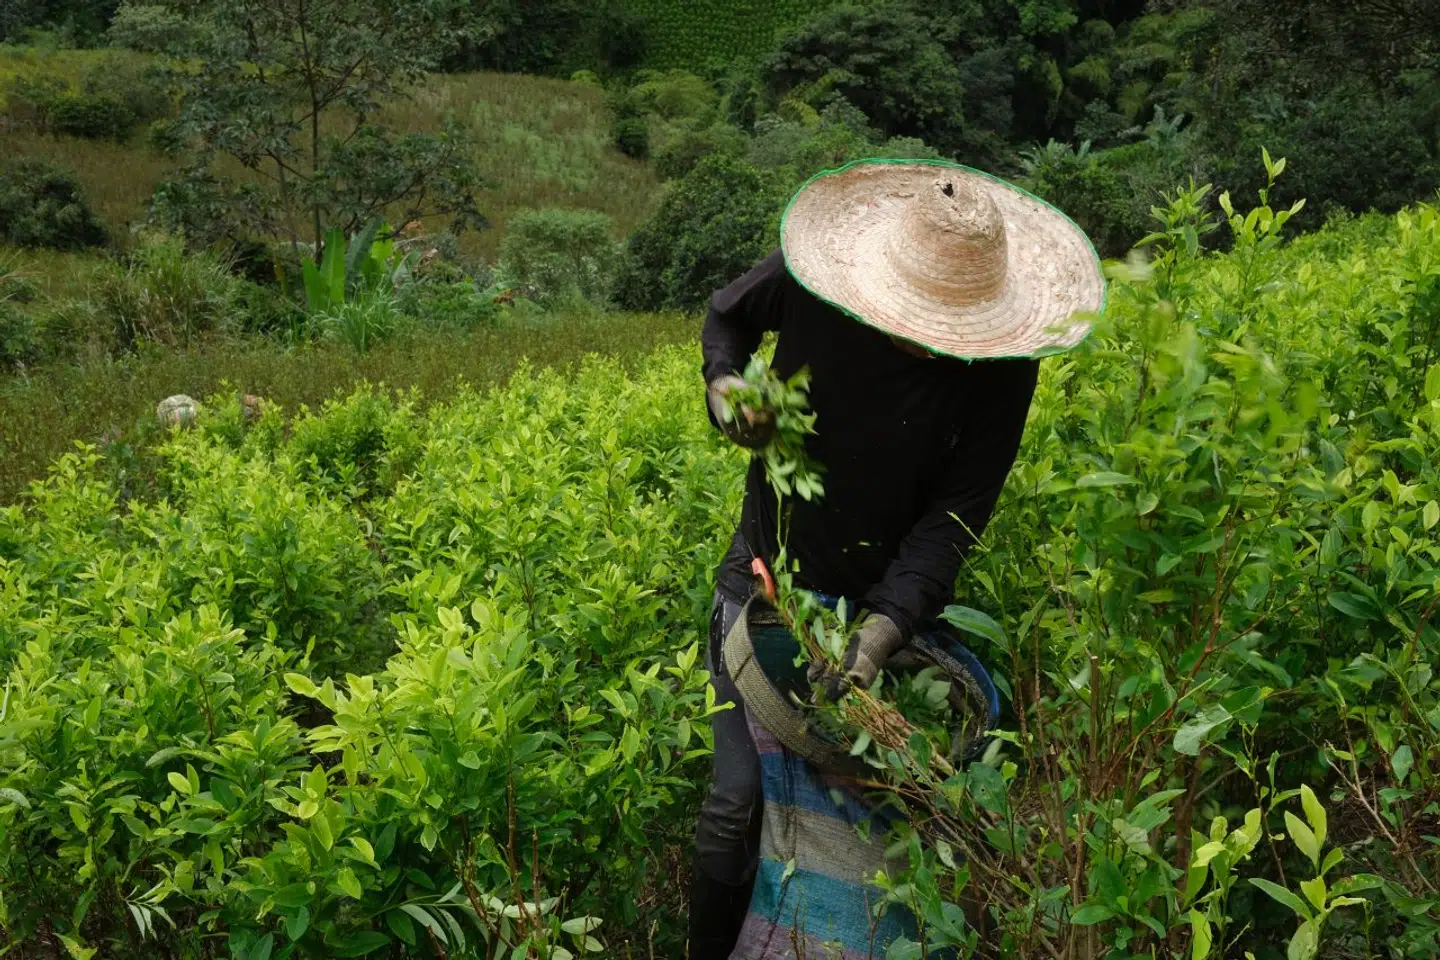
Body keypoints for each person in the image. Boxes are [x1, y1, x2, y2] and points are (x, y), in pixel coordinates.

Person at [687, 159, 1105, 959]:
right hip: (767, 581)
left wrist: (880, 634)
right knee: (735, 810)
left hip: (888, 610)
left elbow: (952, 521)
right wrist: (725, 387)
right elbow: (726, 318)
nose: (918, 341)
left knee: (908, 821)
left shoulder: (1004, 369)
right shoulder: (817, 276)